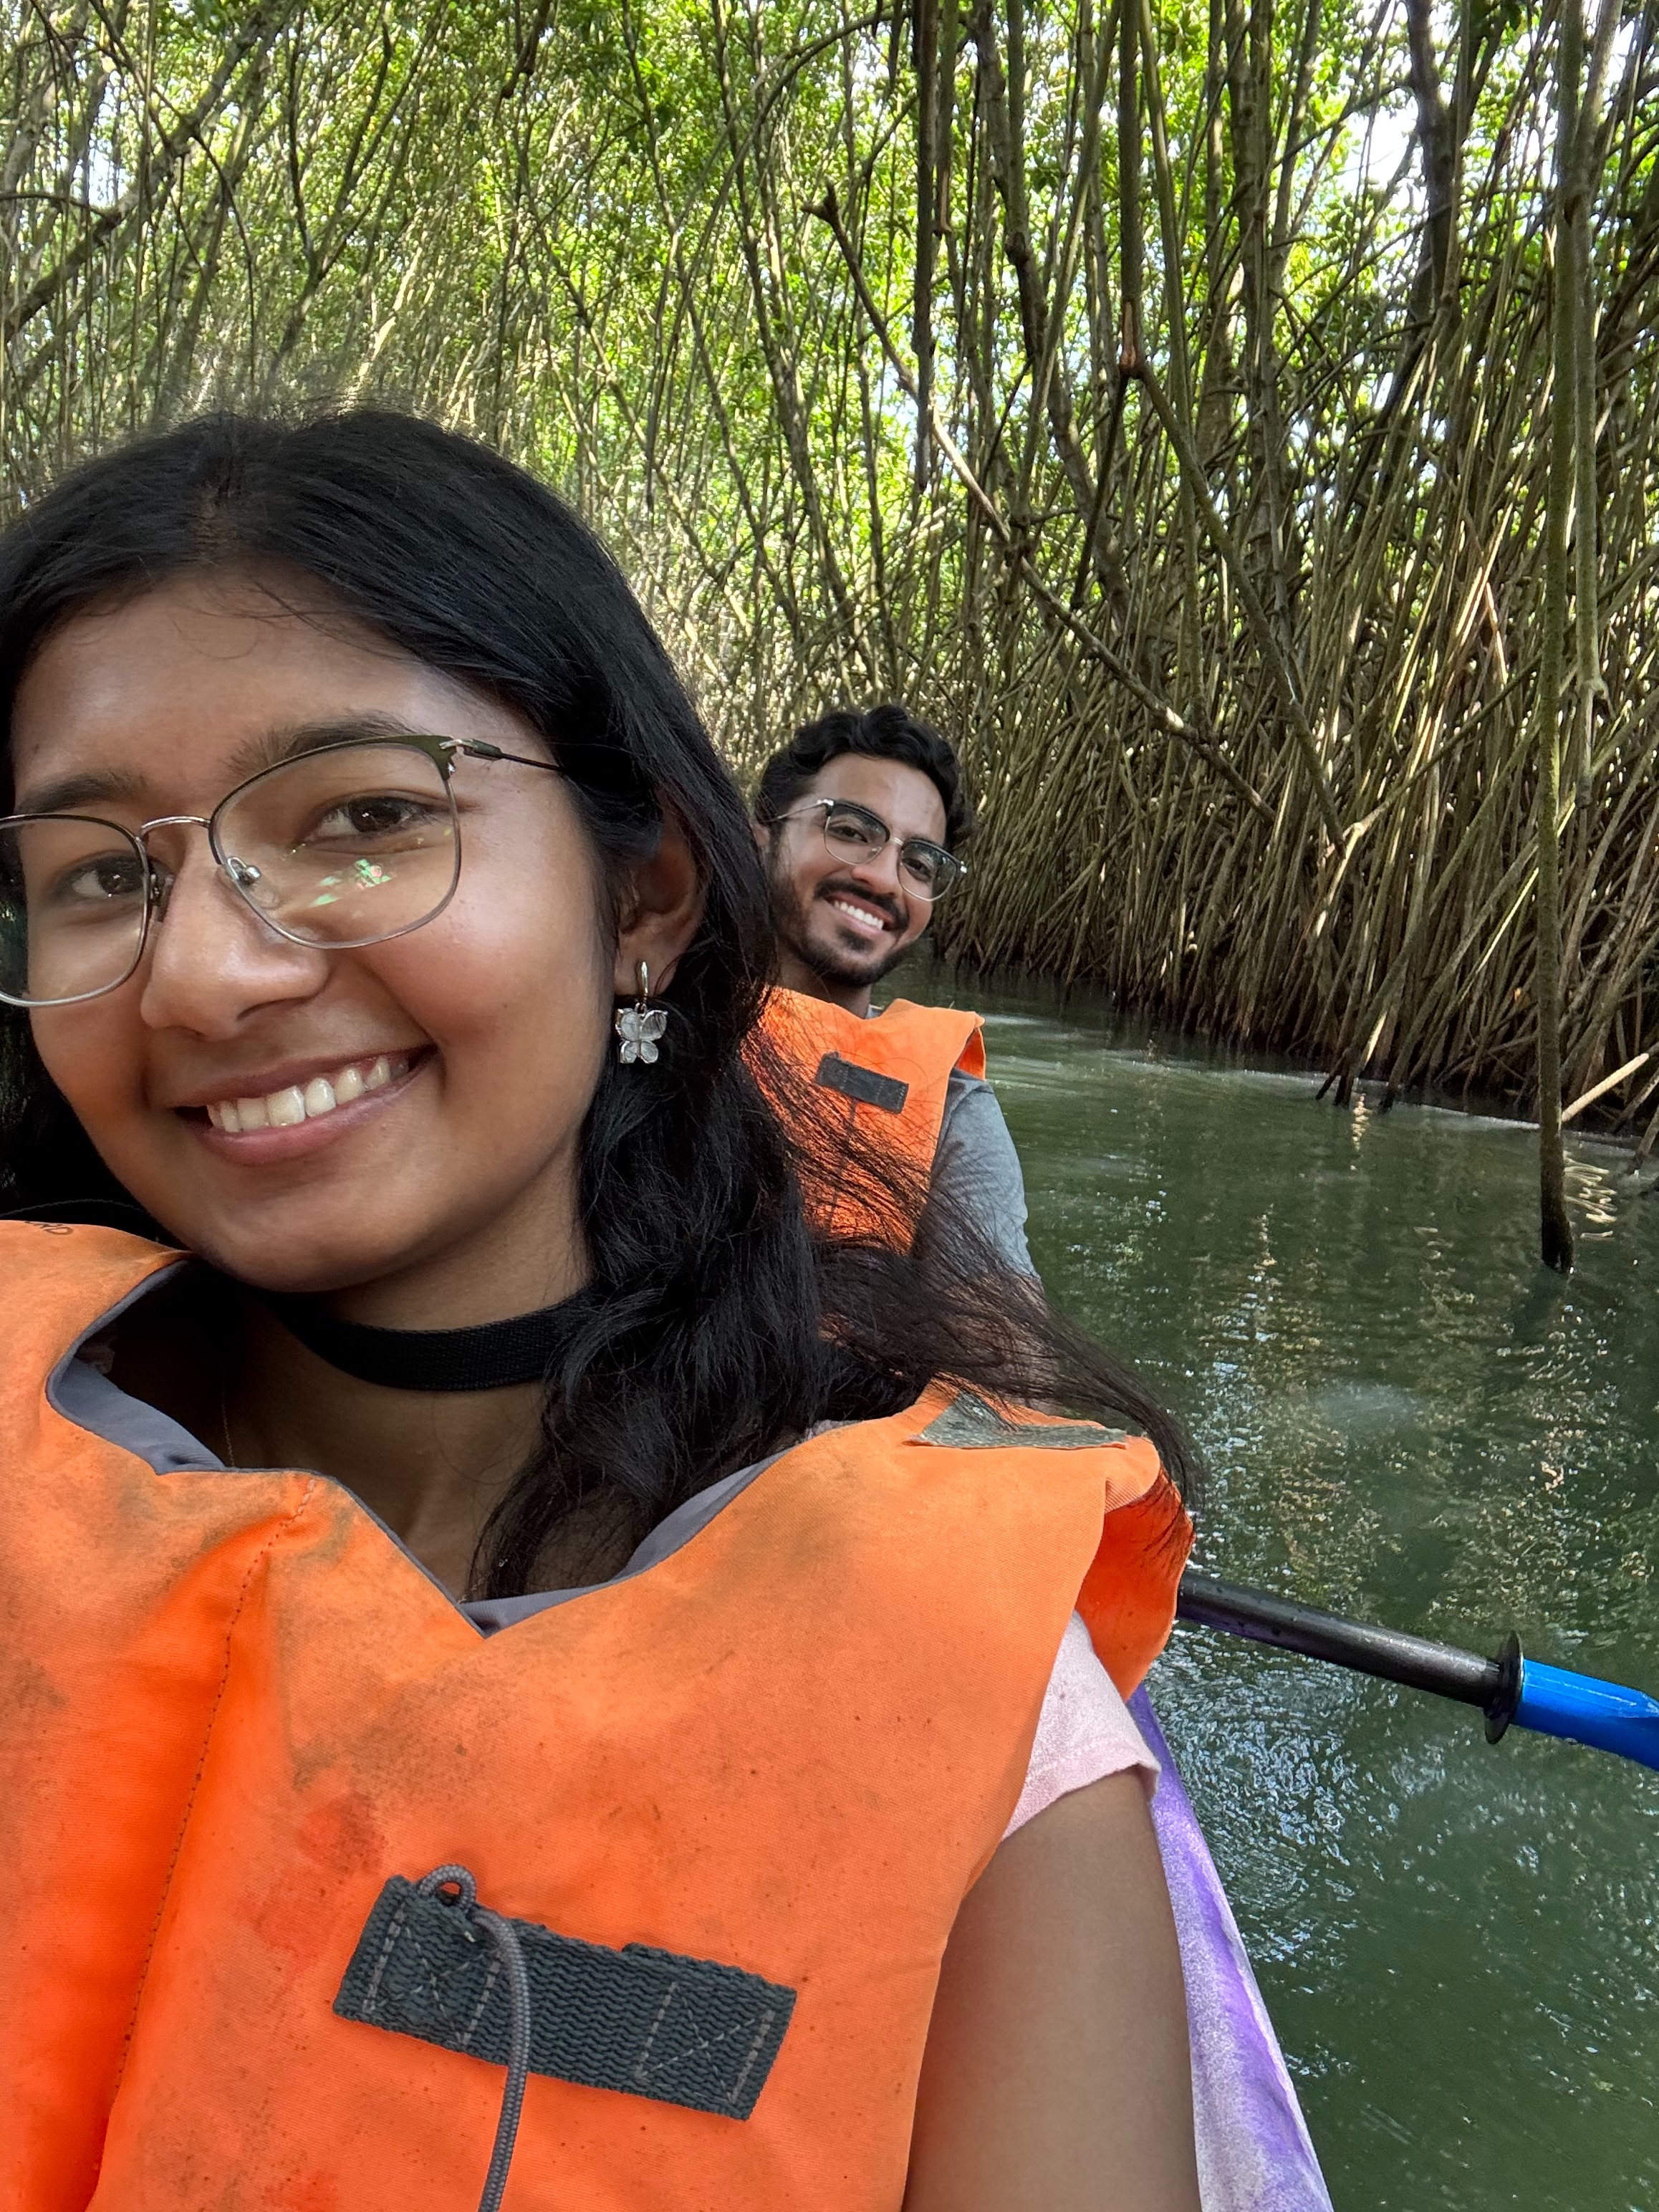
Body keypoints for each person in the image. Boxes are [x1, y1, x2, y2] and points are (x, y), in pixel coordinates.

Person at [0, 410, 1203, 2212]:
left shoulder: (976, 1704)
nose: (202, 973)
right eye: (102, 871)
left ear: (645, 901)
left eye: (363, 820)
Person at [753, 704, 1034, 1271]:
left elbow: (998, 1327)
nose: (883, 878)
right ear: (759, 837)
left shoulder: (953, 1105)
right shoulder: (643, 1009)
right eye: (852, 831)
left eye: (921, 865)